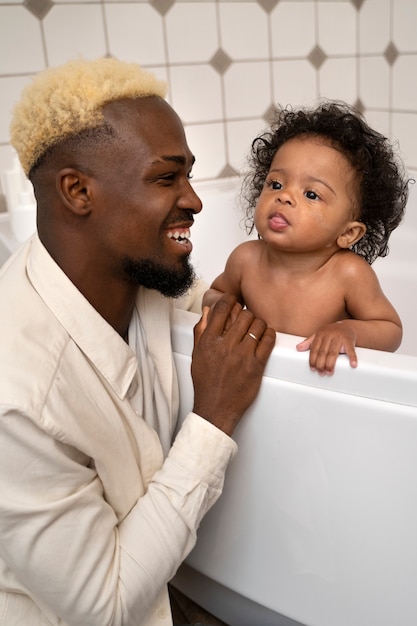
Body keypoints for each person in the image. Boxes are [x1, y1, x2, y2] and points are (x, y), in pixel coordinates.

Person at [0, 58, 276, 625]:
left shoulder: (137, 272)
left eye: (190, 175)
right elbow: (105, 608)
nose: (196, 200)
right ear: (78, 191)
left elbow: (197, 296)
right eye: (165, 177)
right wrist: (214, 417)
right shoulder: (18, 392)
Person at [203, 100, 410, 375]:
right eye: (276, 183)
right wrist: (223, 308)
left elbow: (391, 330)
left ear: (348, 233)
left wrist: (348, 331)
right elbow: (214, 294)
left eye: (311, 194)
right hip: (258, 377)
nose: (284, 196)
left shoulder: (348, 274)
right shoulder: (246, 260)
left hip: (321, 386)